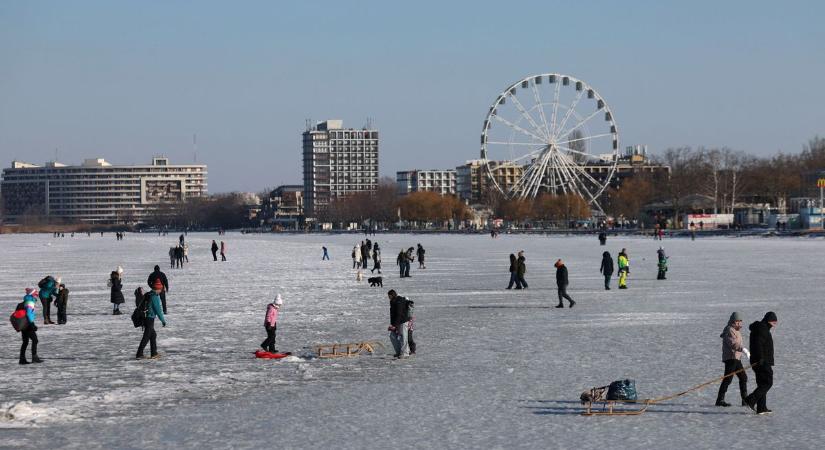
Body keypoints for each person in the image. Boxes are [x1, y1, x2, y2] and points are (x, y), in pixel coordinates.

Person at [745, 312, 778, 414]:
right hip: (762, 361)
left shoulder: (760, 328)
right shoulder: (762, 329)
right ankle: (750, 399)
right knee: (768, 382)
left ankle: (761, 407)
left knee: (762, 383)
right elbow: (758, 345)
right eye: (773, 322)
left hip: (759, 360)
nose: (774, 325)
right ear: (768, 320)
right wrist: (761, 358)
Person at [716, 312, 749, 407]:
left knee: (743, 377)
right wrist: (743, 349)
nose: (739, 323)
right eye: (737, 321)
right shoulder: (729, 330)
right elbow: (733, 344)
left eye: (740, 321)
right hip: (731, 358)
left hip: (736, 358)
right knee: (728, 379)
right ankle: (720, 400)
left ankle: (745, 400)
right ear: (732, 321)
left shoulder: (736, 330)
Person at [136, 278, 167, 360]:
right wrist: (163, 321)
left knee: (153, 335)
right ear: (158, 289)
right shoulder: (154, 297)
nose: (161, 291)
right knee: (146, 336)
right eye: (160, 289)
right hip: (149, 318)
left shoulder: (149, 294)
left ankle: (154, 353)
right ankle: (139, 353)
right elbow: (158, 310)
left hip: (146, 317)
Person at [20, 288, 43, 364]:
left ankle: (22, 359)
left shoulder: (26, 300)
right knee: (35, 340)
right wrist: (32, 324)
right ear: (32, 294)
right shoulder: (30, 302)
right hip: (28, 324)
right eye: (35, 294)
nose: (37, 295)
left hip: (23, 324)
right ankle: (34, 357)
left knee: (25, 342)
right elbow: (29, 313)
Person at [387, 290, 412, 358]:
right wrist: (392, 324)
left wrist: (394, 325)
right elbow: (393, 314)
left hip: (403, 321)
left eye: (389, 296)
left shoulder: (399, 301)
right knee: (392, 336)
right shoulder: (392, 301)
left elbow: (399, 314)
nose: (388, 297)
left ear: (393, 295)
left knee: (403, 337)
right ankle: (399, 352)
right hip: (397, 322)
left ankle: (405, 353)